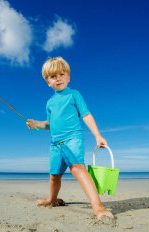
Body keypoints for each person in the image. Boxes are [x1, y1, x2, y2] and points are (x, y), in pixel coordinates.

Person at [27, 57, 114, 220]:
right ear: (48, 82)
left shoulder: (74, 95)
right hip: (55, 144)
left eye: (61, 74)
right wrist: (37, 123)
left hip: (73, 139)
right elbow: (50, 124)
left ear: (68, 77)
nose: (58, 78)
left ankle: (98, 207)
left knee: (77, 168)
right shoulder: (50, 103)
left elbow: (86, 115)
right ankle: (52, 199)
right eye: (53, 76)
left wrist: (97, 135)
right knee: (54, 176)